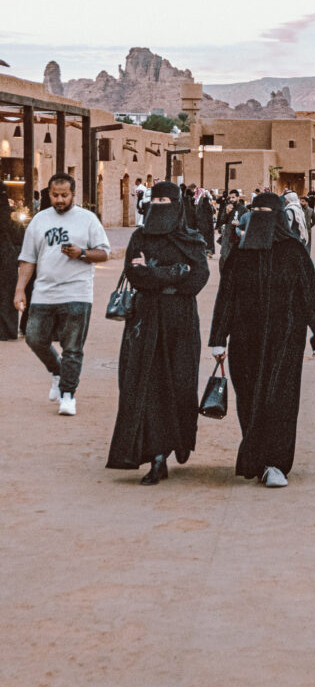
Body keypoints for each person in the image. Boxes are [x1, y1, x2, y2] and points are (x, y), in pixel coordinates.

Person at [208, 193, 315, 487]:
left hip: (285, 339)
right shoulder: (239, 254)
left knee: (280, 399)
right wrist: (218, 338)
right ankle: (256, 458)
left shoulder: (294, 252)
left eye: (266, 211)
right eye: (256, 210)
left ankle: (276, 463)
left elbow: (311, 294)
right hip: (244, 338)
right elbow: (225, 297)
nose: (260, 215)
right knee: (249, 398)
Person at [106, 182, 210, 484]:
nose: (161, 204)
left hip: (180, 323)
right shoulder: (140, 236)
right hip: (145, 321)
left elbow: (198, 279)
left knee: (178, 384)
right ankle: (155, 456)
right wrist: (176, 272)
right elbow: (135, 276)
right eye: (157, 199)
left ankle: (171, 446)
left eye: (167, 199)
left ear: (178, 204)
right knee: (146, 385)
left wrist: (154, 271)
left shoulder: (191, 239)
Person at [14, 173, 110, 414]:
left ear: (73, 195)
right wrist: (19, 291)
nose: (59, 200)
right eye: (55, 195)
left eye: (64, 195)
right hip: (44, 292)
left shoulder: (88, 219)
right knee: (34, 338)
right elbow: (27, 259)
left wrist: (83, 253)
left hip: (77, 292)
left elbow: (104, 253)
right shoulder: (39, 221)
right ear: (48, 193)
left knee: (72, 347)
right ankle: (57, 371)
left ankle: (68, 394)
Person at [0, 189, 24, 340]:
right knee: (7, 294)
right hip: (8, 258)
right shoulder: (10, 216)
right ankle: (8, 330)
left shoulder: (10, 216)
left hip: (7, 257)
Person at [196, 192, 216, 257]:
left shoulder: (199, 207)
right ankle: (209, 251)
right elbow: (213, 213)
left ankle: (202, 250)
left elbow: (197, 215)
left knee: (202, 238)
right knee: (209, 239)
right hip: (208, 225)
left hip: (201, 225)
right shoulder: (209, 206)